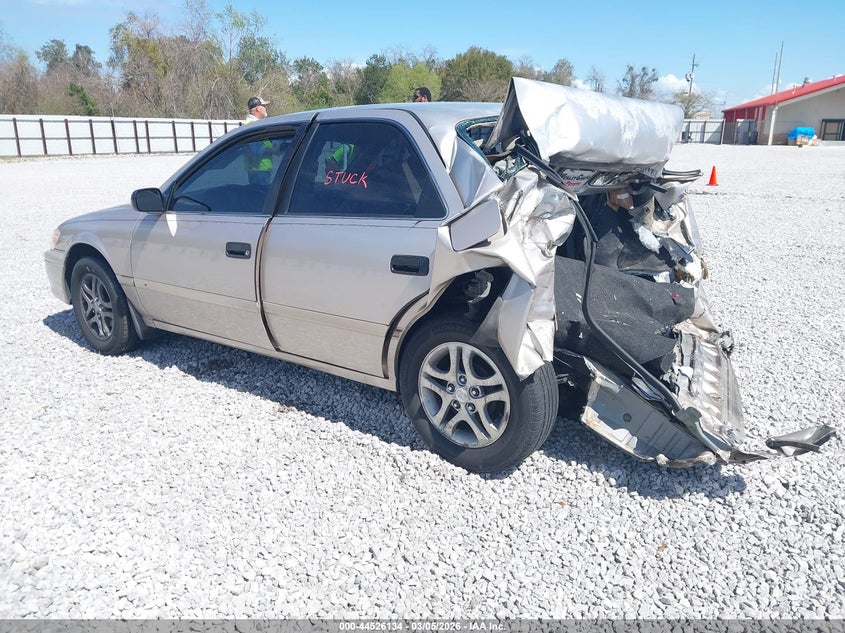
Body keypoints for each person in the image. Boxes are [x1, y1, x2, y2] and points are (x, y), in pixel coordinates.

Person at [243, 96, 273, 184]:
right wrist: (275, 150)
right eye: (264, 106)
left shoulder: (255, 124)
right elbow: (256, 150)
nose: (265, 108)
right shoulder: (252, 125)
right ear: (258, 108)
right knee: (260, 191)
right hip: (258, 169)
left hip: (260, 169)